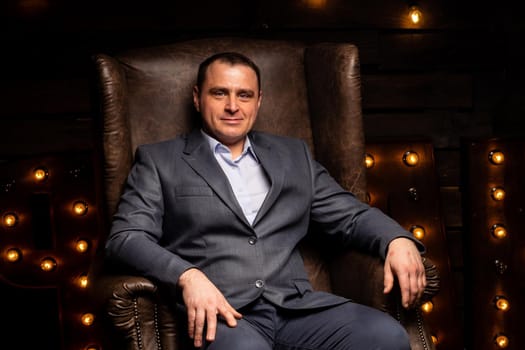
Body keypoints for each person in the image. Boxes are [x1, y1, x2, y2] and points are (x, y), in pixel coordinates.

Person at [105, 51, 426, 350]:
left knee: (386, 335)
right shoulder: (160, 160)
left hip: (297, 307)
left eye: (244, 95)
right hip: (222, 314)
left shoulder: (293, 155)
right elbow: (126, 238)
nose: (233, 106)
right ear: (197, 98)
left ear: (258, 102)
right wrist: (187, 276)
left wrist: (396, 239)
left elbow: (351, 216)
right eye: (220, 93)